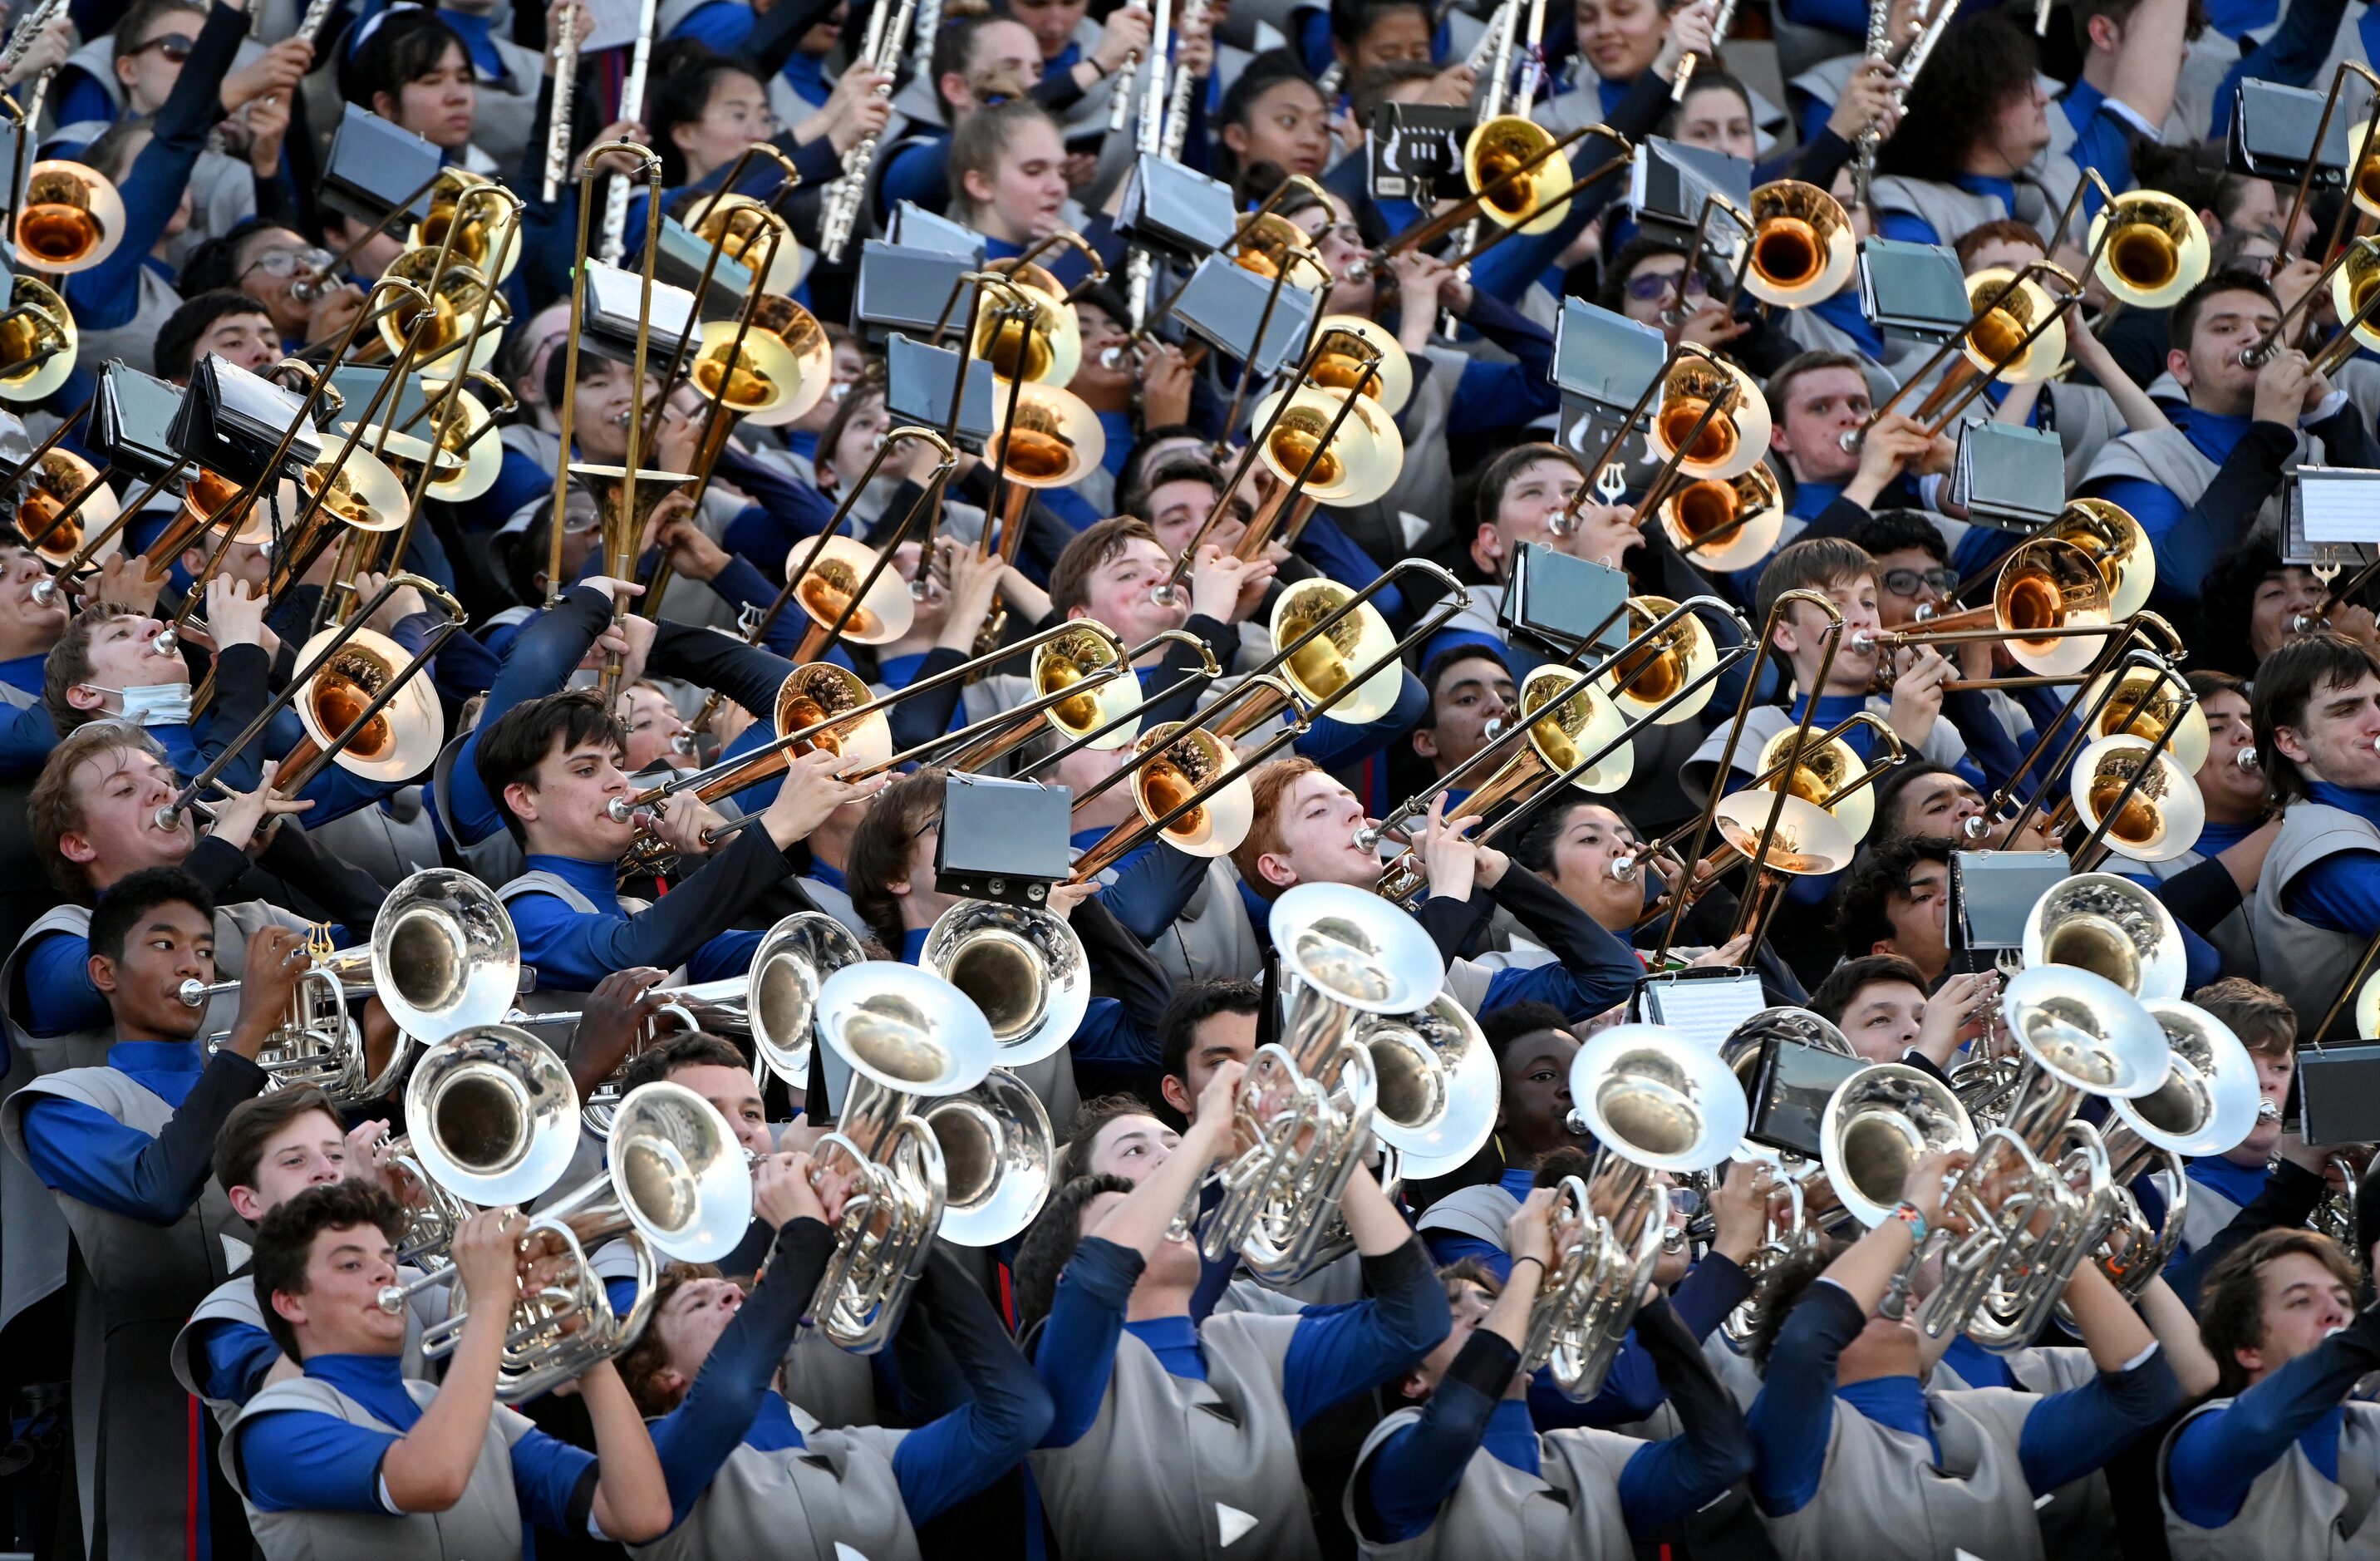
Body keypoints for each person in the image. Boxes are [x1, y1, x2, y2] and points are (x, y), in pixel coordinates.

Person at [1015, 1059, 1453, 1560]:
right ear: (1064, 1276)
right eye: (1135, 1153)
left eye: (1173, 1146)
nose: (1166, 1159)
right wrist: (1202, 1142)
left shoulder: (1253, 1340)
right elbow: (1102, 1276)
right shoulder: (1063, 1367)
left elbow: (1417, 1321)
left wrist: (1336, 1151)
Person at [0, 869, 311, 1559]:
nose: (191, 965)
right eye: (164, 945)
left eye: (204, 950)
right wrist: (251, 1030)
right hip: (156, 1391)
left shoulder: (265, 1087)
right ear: (104, 972)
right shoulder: (61, 1100)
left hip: (287, 1373)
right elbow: (158, 1189)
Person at [1745, 1145, 2186, 1560]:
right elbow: (1807, 1340)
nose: (1893, 1289)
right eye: (1862, 1298)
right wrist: (1913, 1214)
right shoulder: (1797, 1443)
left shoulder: (1993, 1418)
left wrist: (2051, 1235)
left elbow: (2145, 1391)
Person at [613, 1150, 1053, 1558]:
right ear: (659, 1374)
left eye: (729, 1289)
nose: (732, 1292)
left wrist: (904, 1242)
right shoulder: (653, 1469)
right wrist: (803, 1234)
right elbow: (729, 1394)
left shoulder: (869, 1454)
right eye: (698, 1303)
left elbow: (1019, 1414)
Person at [227, 1181, 673, 1555]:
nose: (386, 1274)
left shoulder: (475, 1417)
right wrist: (490, 1299)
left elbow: (640, 1514)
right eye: (350, 1264)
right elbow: (435, 1477)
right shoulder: (274, 1426)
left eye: (387, 1258)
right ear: (291, 1302)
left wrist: (583, 1348)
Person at [1348, 1193, 1757, 1558]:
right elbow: (1455, 1422)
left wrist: (1641, 1294)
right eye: (1453, 1315)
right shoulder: (1394, 1445)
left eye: (1493, 1302)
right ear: (1413, 1381)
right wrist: (1531, 1262)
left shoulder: (1587, 1456)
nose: (1487, 1315)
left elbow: (1724, 1455)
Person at [2082, 272, 2380, 609]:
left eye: (2268, 330)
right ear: (2182, 367)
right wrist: (2267, 436)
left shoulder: (2319, 452)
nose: (2253, 337)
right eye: (2225, 328)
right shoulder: (2145, 462)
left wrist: (2333, 416)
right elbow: (2182, 581)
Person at [2160, 1227, 2380, 1557]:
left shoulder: (2371, 1424)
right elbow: (2256, 1426)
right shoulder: (2203, 1436)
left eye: (2343, 1299)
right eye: (2301, 1301)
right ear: (2249, 1349)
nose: (2336, 1312)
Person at [2246, 634, 2380, 1039]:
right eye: (2347, 710)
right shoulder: (2325, 845)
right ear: (2291, 742)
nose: (2375, 720)